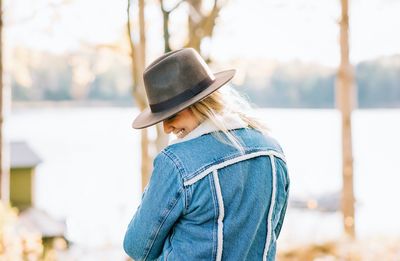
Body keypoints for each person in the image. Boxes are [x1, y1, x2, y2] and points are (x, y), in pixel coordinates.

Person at [123, 48, 290, 261]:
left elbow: (136, 246)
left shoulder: (177, 163)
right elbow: (269, 232)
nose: (166, 128)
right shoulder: (272, 152)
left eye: (171, 115)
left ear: (200, 103)